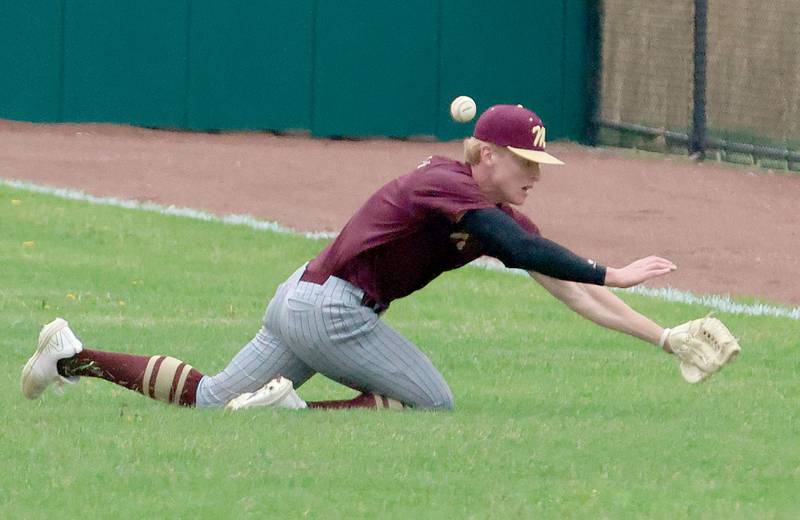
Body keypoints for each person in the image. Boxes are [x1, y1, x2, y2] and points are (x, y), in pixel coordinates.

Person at [22, 104, 687, 412]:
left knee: (211, 401)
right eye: (525, 160)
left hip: (300, 300)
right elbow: (523, 250)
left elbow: (570, 290)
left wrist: (664, 338)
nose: (535, 172)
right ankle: (293, 416)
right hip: (331, 311)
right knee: (432, 404)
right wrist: (614, 267)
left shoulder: (489, 212)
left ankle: (71, 355)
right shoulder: (447, 184)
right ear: (485, 155)